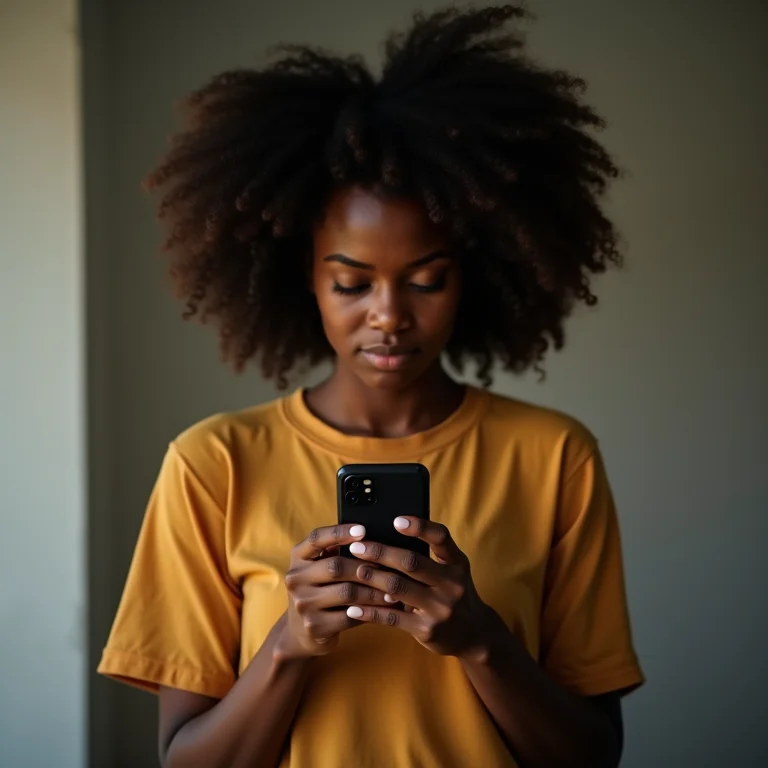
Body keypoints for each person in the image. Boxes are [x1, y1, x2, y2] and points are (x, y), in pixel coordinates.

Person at [98, 6, 644, 767]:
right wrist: (291, 643)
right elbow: (185, 761)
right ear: (306, 278)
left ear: (474, 277)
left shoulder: (554, 457)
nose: (388, 315)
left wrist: (479, 640)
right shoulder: (212, 464)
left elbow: (591, 756)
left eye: (427, 279)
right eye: (352, 283)